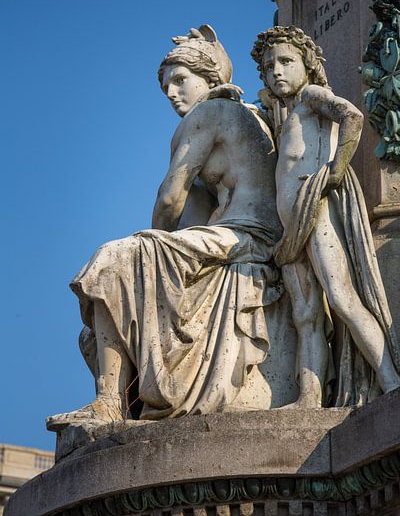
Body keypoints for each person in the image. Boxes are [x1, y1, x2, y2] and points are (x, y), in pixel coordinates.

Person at [47, 25, 284, 430]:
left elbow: (170, 200)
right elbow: (193, 216)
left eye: (180, 80)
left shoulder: (208, 112)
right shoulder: (249, 117)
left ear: (209, 78)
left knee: (115, 260)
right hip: (244, 237)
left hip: (244, 236)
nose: (173, 93)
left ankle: (108, 402)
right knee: (129, 275)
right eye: (166, 87)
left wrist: (150, 249)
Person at [251, 25, 400, 408]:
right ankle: (310, 396)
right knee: (305, 314)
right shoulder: (282, 120)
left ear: (309, 65)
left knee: (342, 296)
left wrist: (335, 169)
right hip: (291, 229)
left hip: (316, 210)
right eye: (269, 67)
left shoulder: (312, 97)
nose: (276, 71)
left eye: (286, 62)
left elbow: (352, 115)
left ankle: (391, 383)